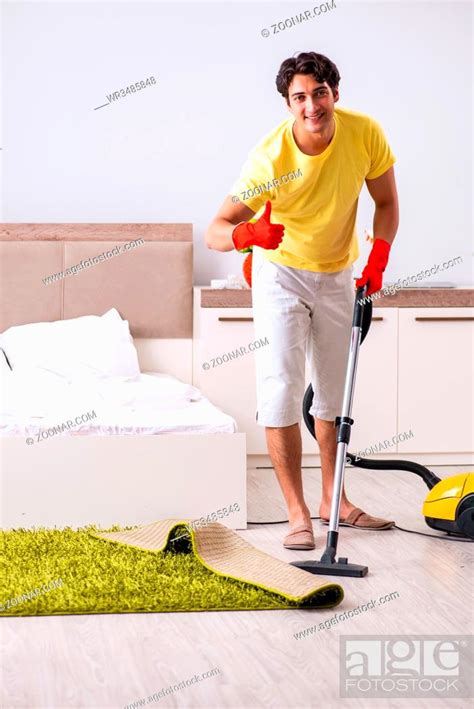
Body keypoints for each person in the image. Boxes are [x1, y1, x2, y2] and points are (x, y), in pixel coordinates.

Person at [205, 52, 399, 549]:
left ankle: (335, 501)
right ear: (288, 105)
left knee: (334, 394)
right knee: (281, 392)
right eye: (299, 97)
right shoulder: (270, 159)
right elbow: (216, 232)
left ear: (336, 92)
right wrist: (251, 232)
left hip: (337, 272)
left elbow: (387, 202)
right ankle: (297, 514)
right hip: (282, 275)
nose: (311, 105)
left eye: (319, 93)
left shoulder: (364, 134)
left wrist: (378, 257)